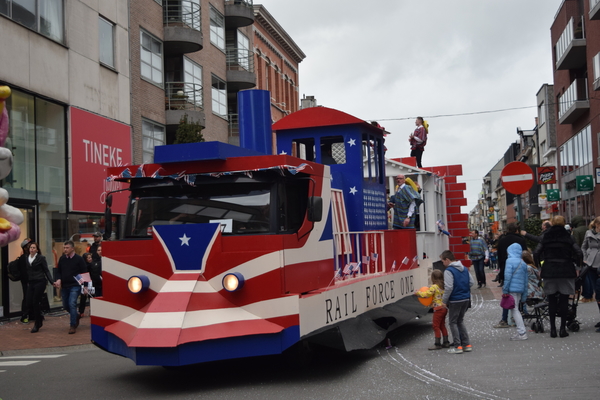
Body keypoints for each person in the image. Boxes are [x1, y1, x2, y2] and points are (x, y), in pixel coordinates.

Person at [534, 215, 582, 338]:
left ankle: (553, 330)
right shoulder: (568, 237)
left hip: (549, 270)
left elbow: (536, 253)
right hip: (566, 270)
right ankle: (562, 329)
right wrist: (577, 267)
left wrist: (539, 268)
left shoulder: (546, 236)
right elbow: (579, 252)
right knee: (564, 300)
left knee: (551, 300)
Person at [440, 250, 475, 354]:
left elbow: (449, 287)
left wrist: (444, 301)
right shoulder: (464, 268)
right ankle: (466, 344)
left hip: (455, 299)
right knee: (460, 321)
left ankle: (457, 346)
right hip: (465, 298)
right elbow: (471, 282)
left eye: (442, 261)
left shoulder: (448, 271)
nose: (442, 263)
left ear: (447, 260)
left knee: (453, 322)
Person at [54, 240, 87, 334]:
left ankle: (73, 325)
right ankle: (76, 315)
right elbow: (58, 271)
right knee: (66, 305)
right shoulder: (62, 259)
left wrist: (85, 286)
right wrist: (58, 279)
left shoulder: (79, 259)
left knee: (72, 303)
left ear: (72, 248)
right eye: (64, 248)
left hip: (75, 285)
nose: (65, 249)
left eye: (67, 248)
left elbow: (84, 272)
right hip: (65, 286)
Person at [415, 270, 449, 350]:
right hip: (444, 308)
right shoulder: (443, 286)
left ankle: (437, 343)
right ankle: (446, 342)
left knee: (435, 326)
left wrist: (418, 293)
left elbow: (427, 295)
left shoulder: (434, 287)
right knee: (442, 325)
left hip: (438, 309)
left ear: (433, 278)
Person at [25, 242, 54, 333]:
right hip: (31, 282)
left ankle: (37, 324)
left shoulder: (41, 258)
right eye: (31, 247)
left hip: (40, 281)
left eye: (34, 248)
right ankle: (40, 318)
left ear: (37, 250)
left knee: (35, 302)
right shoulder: (27, 258)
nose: (32, 249)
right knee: (29, 302)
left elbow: (46, 270)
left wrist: (51, 281)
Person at [502, 243, 529, 341]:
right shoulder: (523, 263)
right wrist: (524, 296)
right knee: (516, 309)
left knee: (515, 310)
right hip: (520, 289)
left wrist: (505, 290)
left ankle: (522, 332)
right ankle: (521, 332)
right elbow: (526, 281)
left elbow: (507, 277)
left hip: (512, 289)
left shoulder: (509, 261)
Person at [581, 216, 600, 330]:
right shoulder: (589, 233)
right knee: (597, 292)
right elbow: (583, 247)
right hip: (591, 264)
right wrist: (585, 258)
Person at [572, 215, 593, 302]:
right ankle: (590, 294)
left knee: (584, 275)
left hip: (581, 256)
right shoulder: (587, 229)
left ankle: (587, 295)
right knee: (589, 274)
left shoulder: (576, 231)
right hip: (590, 254)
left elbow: (576, 243)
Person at [15, 238, 32, 323]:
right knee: (27, 297)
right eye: (29, 246)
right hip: (27, 281)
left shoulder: (32, 257)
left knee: (32, 297)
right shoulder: (23, 258)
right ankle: (24, 315)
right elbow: (24, 271)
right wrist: (28, 280)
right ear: (25, 248)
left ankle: (32, 315)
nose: (31, 248)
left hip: (32, 280)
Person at [78, 252, 93, 317]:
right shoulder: (84, 266)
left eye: (90, 257)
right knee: (83, 297)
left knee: (91, 297)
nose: (90, 259)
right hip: (85, 282)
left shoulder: (92, 265)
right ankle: (81, 311)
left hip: (91, 282)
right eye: (88, 258)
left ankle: (91, 310)